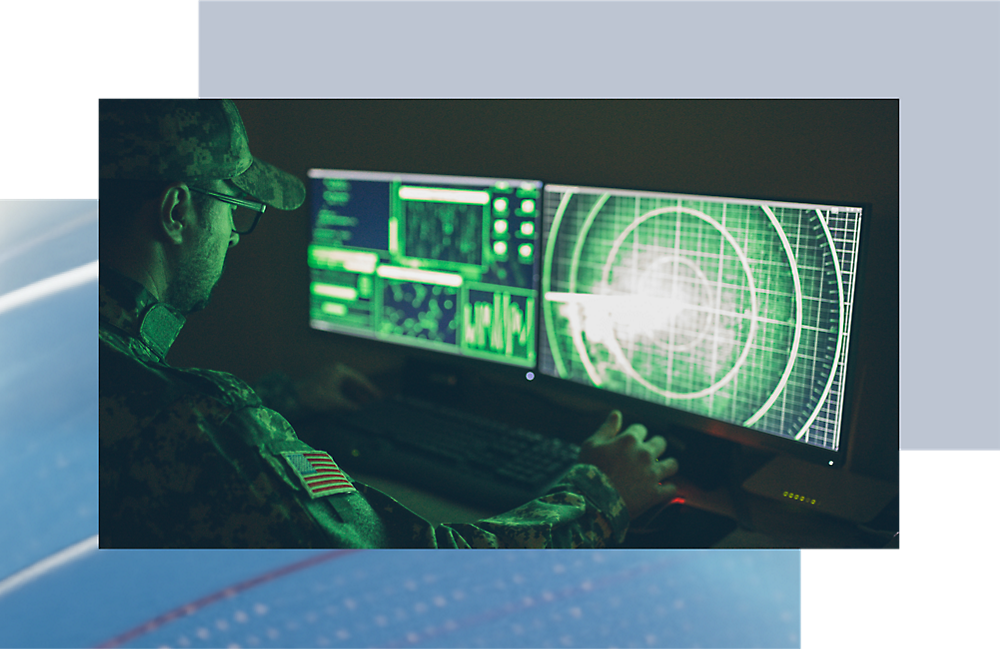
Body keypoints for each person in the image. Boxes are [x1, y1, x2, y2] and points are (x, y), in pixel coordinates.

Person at [98, 98, 680, 548]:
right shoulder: (203, 424)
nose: (231, 233)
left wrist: (288, 397)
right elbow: (426, 575)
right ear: (177, 212)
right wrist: (601, 493)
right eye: (233, 206)